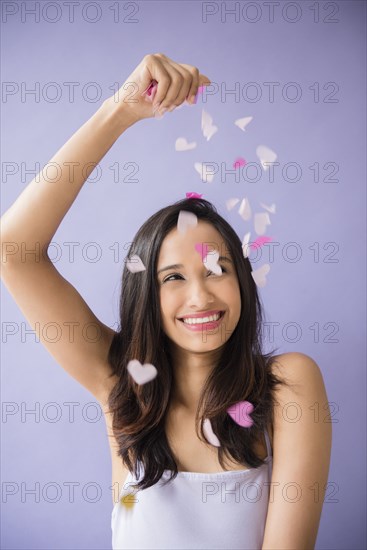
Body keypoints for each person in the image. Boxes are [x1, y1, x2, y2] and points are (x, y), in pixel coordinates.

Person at [0, 53, 332, 549]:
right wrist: (122, 111)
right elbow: (14, 251)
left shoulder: (288, 385)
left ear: (242, 280)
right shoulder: (120, 383)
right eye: (172, 277)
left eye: (217, 270)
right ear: (145, 299)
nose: (200, 295)